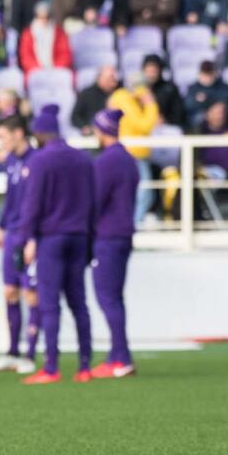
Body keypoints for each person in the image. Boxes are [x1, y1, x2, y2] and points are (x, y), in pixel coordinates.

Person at [19, 104, 95, 385]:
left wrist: (27, 238)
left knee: (50, 305)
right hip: (79, 236)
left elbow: (32, 205)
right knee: (79, 304)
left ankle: (51, 366)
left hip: (51, 238)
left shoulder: (39, 161)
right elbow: (92, 202)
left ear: (39, 133)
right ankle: (85, 365)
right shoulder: (83, 159)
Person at [0, 115, 39, 375]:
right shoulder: (12, 162)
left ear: (18, 133)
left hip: (28, 235)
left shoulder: (37, 161)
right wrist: (0, 225)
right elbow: (11, 198)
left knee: (32, 294)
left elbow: (39, 204)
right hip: (12, 233)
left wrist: (34, 237)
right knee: (10, 292)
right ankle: (13, 351)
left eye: (4, 136)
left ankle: (30, 354)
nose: (1, 142)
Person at [89, 110, 139, 378]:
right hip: (124, 234)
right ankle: (117, 354)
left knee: (107, 297)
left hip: (107, 236)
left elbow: (95, 200)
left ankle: (121, 358)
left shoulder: (106, 161)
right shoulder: (128, 159)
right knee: (115, 298)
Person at [107, 78, 160, 223]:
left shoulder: (128, 99)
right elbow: (145, 125)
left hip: (136, 153)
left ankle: (132, 224)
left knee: (142, 193)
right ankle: (133, 225)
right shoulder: (123, 99)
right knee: (144, 193)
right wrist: (150, 104)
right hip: (131, 153)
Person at [18, 0, 73, 72]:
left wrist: (56, 69)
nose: (44, 20)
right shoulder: (28, 33)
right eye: (41, 17)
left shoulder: (59, 33)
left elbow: (65, 54)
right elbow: (26, 56)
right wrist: (37, 69)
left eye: (46, 17)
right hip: (36, 72)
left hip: (56, 71)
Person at [183, 61, 228, 130]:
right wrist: (208, 112)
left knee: (221, 113)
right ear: (200, 73)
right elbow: (188, 105)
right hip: (202, 116)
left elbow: (227, 98)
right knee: (198, 117)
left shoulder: (221, 85)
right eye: (205, 73)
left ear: (214, 73)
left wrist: (206, 100)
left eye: (209, 73)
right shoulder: (193, 87)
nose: (207, 77)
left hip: (219, 113)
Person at [141, 54, 184, 128]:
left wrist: (165, 120)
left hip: (166, 130)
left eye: (154, 71)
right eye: (148, 71)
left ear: (160, 71)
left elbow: (179, 114)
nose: (151, 75)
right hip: (142, 130)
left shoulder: (170, 89)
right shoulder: (138, 90)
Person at [73, 65, 119, 134]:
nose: (113, 83)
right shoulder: (86, 94)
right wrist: (84, 126)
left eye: (114, 79)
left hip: (114, 132)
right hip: (93, 133)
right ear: (100, 78)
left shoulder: (119, 93)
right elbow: (75, 116)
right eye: (110, 79)